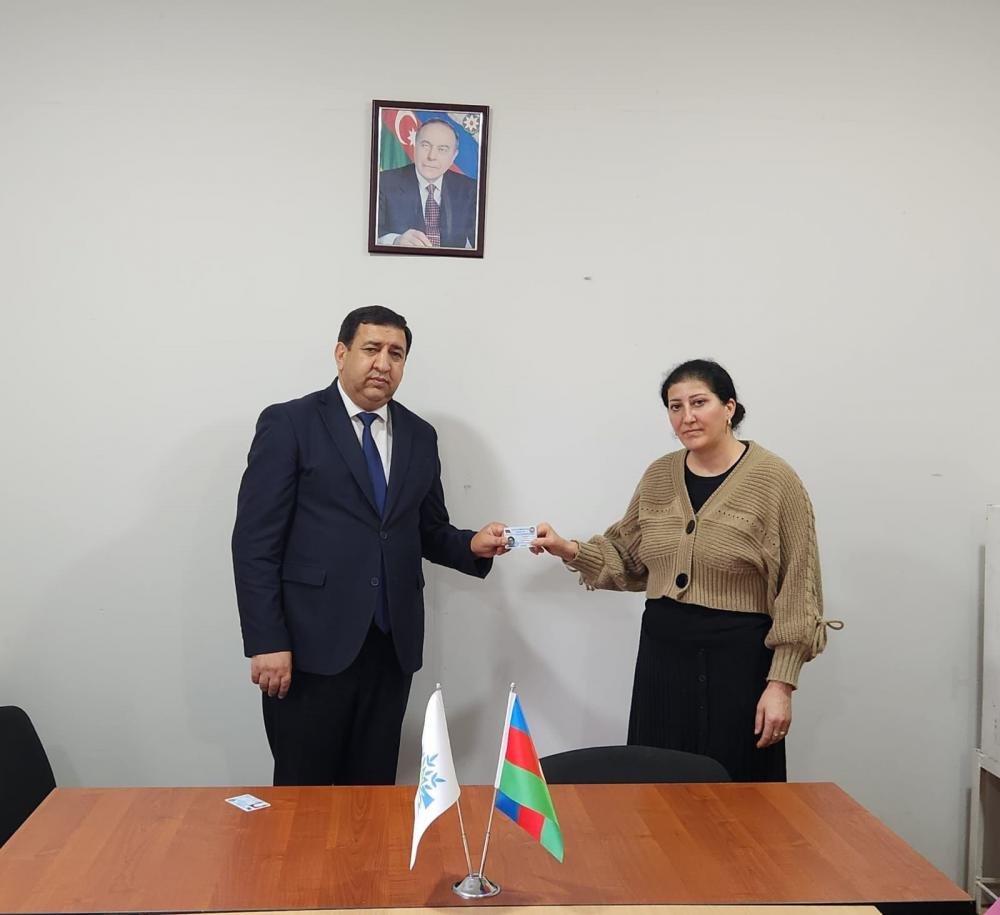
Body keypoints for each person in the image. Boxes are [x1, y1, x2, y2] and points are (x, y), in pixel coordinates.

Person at [232, 305, 507, 786]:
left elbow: (427, 529)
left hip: (390, 648)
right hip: (309, 647)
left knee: (373, 792)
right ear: (341, 354)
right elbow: (255, 542)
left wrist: (472, 546)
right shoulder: (290, 423)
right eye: (372, 349)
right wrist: (267, 641)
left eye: (396, 354)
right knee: (304, 796)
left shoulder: (419, 436)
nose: (383, 363)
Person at [531, 359, 840, 782]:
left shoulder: (775, 480)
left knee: (738, 790)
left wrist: (780, 684)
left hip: (739, 661)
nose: (687, 417)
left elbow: (798, 587)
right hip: (663, 658)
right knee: (659, 786)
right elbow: (628, 559)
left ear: (729, 407)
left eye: (699, 402)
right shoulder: (659, 476)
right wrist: (568, 548)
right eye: (675, 407)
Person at [376, 119, 477, 249]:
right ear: (415, 147)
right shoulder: (383, 183)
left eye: (442, 149)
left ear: (454, 156)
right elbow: (370, 231)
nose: (432, 156)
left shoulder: (471, 189)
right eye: (425, 145)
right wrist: (395, 240)